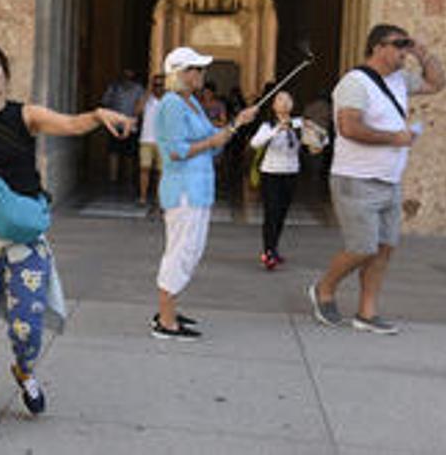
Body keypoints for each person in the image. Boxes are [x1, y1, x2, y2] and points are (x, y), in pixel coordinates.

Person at [0, 40, 133, 440]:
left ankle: (23, 370)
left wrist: (97, 114)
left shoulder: (27, 115)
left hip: (25, 236)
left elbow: (70, 124)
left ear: (5, 73)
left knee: (27, 324)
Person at [307, 24, 446, 335]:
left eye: (405, 45)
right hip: (356, 179)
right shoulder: (354, 83)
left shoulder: (399, 80)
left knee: (384, 248)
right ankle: (323, 289)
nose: (403, 51)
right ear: (377, 47)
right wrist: (393, 138)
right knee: (362, 247)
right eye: (398, 44)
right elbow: (349, 128)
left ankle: (367, 312)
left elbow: (437, 82)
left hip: (389, 179)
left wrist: (421, 51)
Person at [150, 47, 257, 340]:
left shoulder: (192, 104)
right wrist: (213, 140)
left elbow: (216, 141)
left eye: (200, 69)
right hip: (183, 190)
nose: (200, 74)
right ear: (180, 74)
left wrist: (237, 124)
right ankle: (166, 321)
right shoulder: (172, 104)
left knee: (190, 251)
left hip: (198, 189)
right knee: (181, 253)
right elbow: (175, 151)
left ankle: (168, 310)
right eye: (195, 69)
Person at [249, 91, 327, 269]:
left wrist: (314, 133)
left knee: (282, 213)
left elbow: (322, 140)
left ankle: (274, 248)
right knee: (271, 212)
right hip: (271, 173)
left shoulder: (299, 123)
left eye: (288, 100)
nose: (284, 103)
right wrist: (278, 129)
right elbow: (255, 143)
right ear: (274, 105)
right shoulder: (268, 125)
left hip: (291, 172)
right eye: (280, 100)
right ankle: (268, 251)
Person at [100, 68, 144, 185]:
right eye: (125, 74)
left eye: (130, 74)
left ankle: (128, 179)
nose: (127, 77)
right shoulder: (114, 87)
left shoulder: (138, 89)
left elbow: (141, 105)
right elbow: (105, 102)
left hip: (131, 125)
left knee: (129, 153)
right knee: (113, 152)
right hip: (115, 125)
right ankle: (112, 179)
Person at [137, 73, 163, 212]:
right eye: (155, 85)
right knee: (144, 169)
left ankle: (159, 199)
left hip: (163, 141)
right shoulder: (147, 100)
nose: (158, 88)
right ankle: (143, 197)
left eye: (161, 85)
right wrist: (147, 93)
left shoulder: (168, 101)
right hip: (146, 139)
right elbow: (137, 111)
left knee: (161, 172)